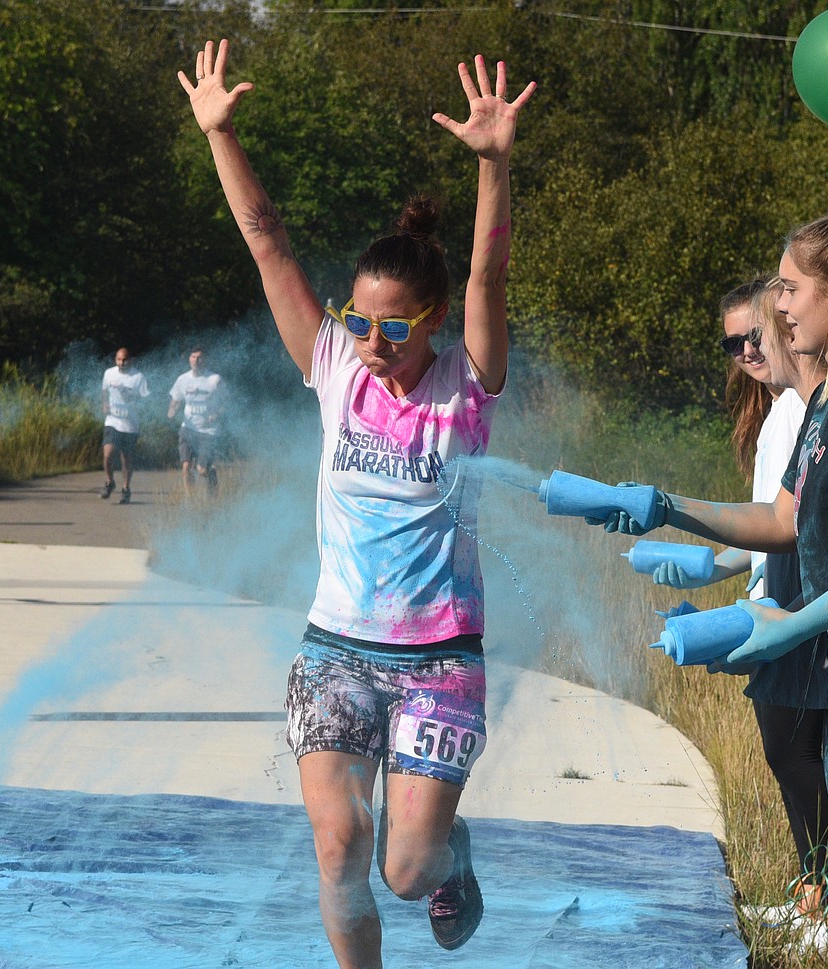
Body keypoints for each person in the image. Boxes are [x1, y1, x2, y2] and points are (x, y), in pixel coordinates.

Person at [178, 39, 535, 968]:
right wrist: (221, 136)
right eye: (358, 320)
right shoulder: (333, 364)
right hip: (334, 645)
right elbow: (267, 241)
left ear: (432, 322)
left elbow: (490, 279)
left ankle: (451, 853)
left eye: (394, 327)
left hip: (439, 658)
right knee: (339, 849)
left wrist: (494, 165)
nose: (371, 342)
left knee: (406, 872)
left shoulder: (467, 384)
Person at [591, 199, 828, 969]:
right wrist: (666, 507)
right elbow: (783, 520)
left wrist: (800, 620)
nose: (776, 306)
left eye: (789, 287)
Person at [654, 279, 828, 951]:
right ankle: (813, 890)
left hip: (796, 605)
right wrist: (714, 566)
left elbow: (794, 526)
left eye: (752, 336)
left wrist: (770, 601)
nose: (743, 351)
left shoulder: (810, 408)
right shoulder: (776, 416)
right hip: (773, 598)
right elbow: (771, 520)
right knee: (787, 752)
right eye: (730, 342)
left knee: (799, 753)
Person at [167, 347, 225, 497]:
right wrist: (172, 410)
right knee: (186, 467)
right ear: (189, 359)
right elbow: (176, 399)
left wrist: (216, 415)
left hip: (208, 431)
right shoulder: (183, 379)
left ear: (205, 360)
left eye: (199, 357)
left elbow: (227, 403)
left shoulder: (214, 380)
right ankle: (190, 500)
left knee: (202, 469)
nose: (196, 360)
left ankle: (211, 479)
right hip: (188, 429)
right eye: (193, 357)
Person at [101, 347, 150, 504]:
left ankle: (126, 488)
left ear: (131, 360)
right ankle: (109, 482)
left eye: (125, 360)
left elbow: (146, 400)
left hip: (130, 425)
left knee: (126, 459)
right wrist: (104, 404)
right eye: (119, 359)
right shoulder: (109, 373)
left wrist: (132, 399)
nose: (121, 363)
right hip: (112, 421)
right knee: (108, 453)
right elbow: (104, 391)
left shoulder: (138, 377)